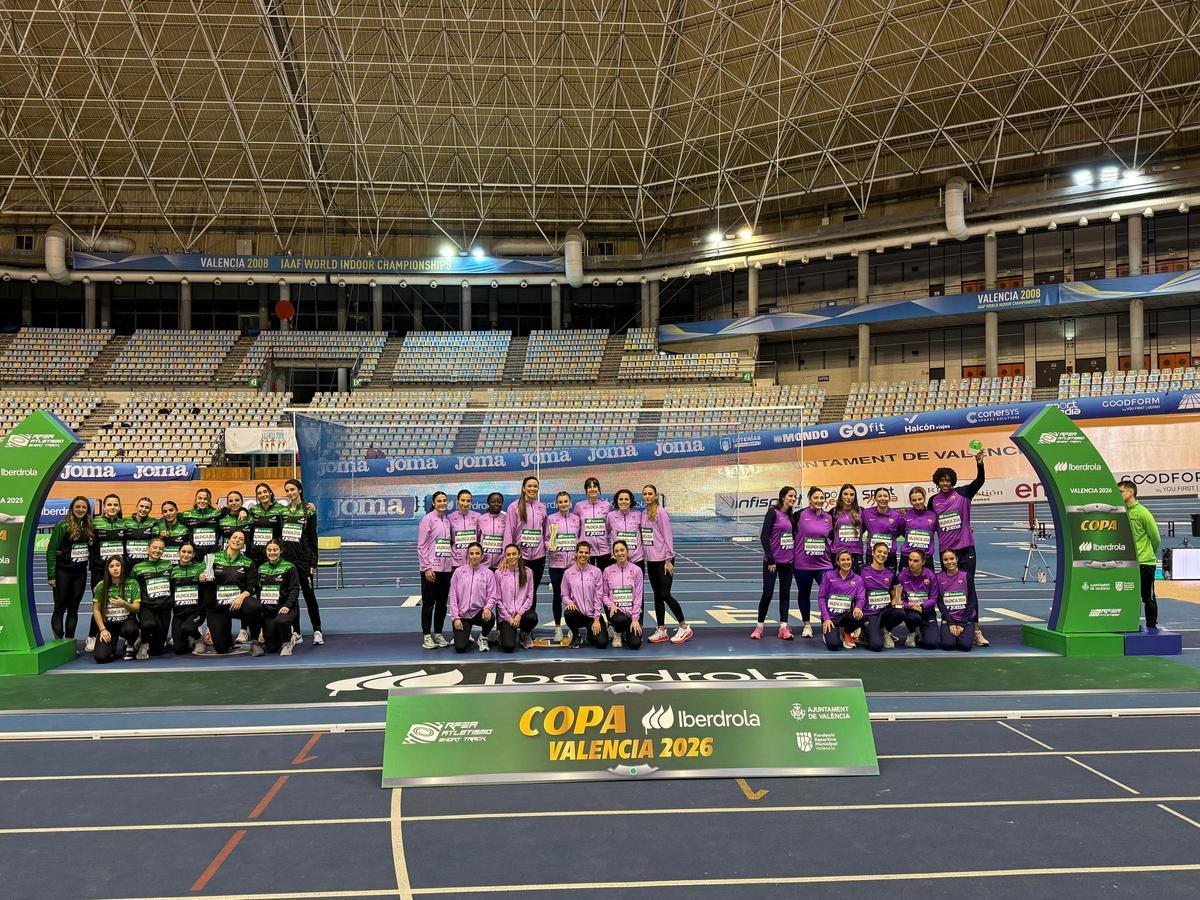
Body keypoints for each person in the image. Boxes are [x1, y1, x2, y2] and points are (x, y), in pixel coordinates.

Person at [931, 451, 990, 646]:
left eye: (948, 480)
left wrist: (979, 463)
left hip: (965, 549)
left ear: (952, 481)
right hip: (947, 552)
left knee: (969, 588)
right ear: (937, 482)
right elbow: (927, 521)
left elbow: (979, 481)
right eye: (942, 480)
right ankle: (951, 622)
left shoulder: (963, 493)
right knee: (950, 588)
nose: (945, 483)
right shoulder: (933, 501)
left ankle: (975, 629)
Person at [641, 484, 691, 644]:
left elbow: (667, 536)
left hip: (664, 560)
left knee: (665, 594)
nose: (648, 496)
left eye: (650, 494)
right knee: (657, 596)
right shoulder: (643, 514)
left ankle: (684, 626)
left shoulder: (661, 512)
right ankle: (661, 629)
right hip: (652, 561)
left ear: (655, 496)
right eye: (645, 494)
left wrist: (669, 559)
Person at [198, 530, 261, 656]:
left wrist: (241, 597)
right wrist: (201, 575)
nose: (237, 540)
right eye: (235, 537)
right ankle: (226, 636)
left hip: (236, 603)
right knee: (221, 648)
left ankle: (255, 642)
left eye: (241, 539)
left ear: (243, 545)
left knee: (255, 606)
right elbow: (200, 571)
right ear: (228, 540)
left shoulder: (248, 562)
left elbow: (252, 586)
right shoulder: (213, 558)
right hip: (217, 606)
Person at [47, 496, 94, 643]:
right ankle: (59, 642)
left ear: (87, 510)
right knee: (60, 608)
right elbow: (51, 551)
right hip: (63, 572)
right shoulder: (62, 525)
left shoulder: (89, 526)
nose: (80, 510)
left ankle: (69, 640)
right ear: (72, 509)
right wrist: (51, 575)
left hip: (80, 573)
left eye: (84, 507)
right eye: (78, 507)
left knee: (74, 609)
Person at [281, 478, 321, 645]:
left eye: (292, 490)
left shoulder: (309, 511)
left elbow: (313, 538)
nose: (290, 493)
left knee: (309, 595)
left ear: (300, 490)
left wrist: (313, 562)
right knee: (292, 596)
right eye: (287, 491)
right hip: (288, 560)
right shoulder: (282, 512)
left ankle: (317, 630)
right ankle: (296, 632)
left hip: (304, 561)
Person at [754, 486, 798, 640]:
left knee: (785, 594)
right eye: (790, 496)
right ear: (782, 497)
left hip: (788, 562)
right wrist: (771, 559)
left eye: (795, 496)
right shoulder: (773, 513)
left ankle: (784, 627)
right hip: (772, 563)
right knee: (767, 593)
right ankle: (759, 627)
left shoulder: (791, 516)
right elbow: (764, 536)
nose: (793, 498)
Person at [1120, 480, 1162, 630]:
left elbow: (1156, 538)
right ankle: (1128, 623)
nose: (1118, 495)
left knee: (1148, 597)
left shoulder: (1143, 513)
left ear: (1130, 492)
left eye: (1121, 492)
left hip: (1144, 563)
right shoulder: (1122, 512)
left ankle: (1152, 626)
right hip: (1127, 562)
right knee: (1128, 595)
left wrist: (1147, 553)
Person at [859, 542, 915, 652]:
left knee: (900, 613)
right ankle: (865, 633)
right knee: (876, 645)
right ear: (873, 553)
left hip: (885, 611)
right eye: (879, 551)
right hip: (870, 613)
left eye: (885, 552)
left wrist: (896, 602)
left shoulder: (891, 573)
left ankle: (885, 630)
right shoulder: (862, 570)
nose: (882, 554)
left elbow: (896, 592)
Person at [87, 494, 125, 651]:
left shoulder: (123, 524)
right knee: (100, 602)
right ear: (104, 507)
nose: (112, 507)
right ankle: (92, 635)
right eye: (109, 505)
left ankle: (123, 636)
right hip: (99, 571)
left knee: (119, 600)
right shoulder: (95, 523)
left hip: (118, 570)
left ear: (119, 507)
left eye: (115, 505)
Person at [504, 476, 547, 611]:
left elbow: (545, 532)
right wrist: (506, 555)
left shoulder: (542, 507)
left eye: (535, 486)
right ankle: (514, 620)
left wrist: (548, 544)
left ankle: (528, 625)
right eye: (529, 486)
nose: (532, 489)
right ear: (524, 488)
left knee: (531, 591)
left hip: (539, 556)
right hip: (521, 557)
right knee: (519, 590)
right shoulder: (514, 507)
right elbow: (509, 532)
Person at [794, 486, 832, 639]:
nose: (819, 501)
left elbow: (834, 538)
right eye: (815, 498)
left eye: (821, 498)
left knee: (829, 594)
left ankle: (827, 624)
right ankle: (807, 625)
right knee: (804, 594)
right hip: (803, 564)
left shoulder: (829, 517)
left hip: (824, 564)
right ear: (810, 499)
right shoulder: (798, 515)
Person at [417, 491, 454, 650]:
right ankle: (427, 635)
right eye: (439, 501)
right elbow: (422, 545)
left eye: (444, 500)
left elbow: (448, 543)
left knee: (442, 604)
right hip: (431, 569)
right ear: (433, 503)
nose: (442, 503)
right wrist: (426, 567)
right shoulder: (427, 520)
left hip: (446, 569)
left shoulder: (447, 520)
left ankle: (438, 633)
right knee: (428, 603)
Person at [91, 556, 141, 664]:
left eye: (118, 565)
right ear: (107, 569)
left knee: (131, 630)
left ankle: (130, 643)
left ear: (123, 567)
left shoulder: (132, 583)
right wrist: (102, 630)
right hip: (109, 625)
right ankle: (111, 647)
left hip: (126, 622)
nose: (115, 569)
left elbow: (137, 608)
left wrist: (124, 604)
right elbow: (96, 610)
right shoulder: (101, 586)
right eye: (111, 566)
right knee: (101, 658)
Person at [546, 491, 582, 642]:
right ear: (556, 504)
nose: (563, 504)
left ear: (570, 503)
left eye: (565, 501)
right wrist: (549, 545)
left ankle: (573, 629)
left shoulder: (577, 519)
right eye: (560, 502)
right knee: (557, 597)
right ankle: (558, 628)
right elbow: (546, 539)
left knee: (574, 597)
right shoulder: (551, 519)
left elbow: (580, 538)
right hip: (556, 565)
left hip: (573, 566)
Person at [448, 543, 496, 653]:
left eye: (477, 553)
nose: (474, 556)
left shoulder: (488, 573)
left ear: (482, 555)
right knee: (460, 648)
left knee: (491, 618)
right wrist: (455, 618)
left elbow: (492, 595)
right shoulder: (458, 572)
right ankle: (466, 633)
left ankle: (483, 637)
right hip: (462, 615)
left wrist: (488, 608)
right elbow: (454, 596)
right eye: (472, 553)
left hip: (479, 612)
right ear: (468, 555)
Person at [130, 537, 173, 658]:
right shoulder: (138, 568)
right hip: (146, 606)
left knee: (157, 650)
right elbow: (131, 586)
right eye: (154, 547)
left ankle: (146, 637)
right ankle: (144, 642)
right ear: (148, 549)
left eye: (161, 548)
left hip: (164, 607)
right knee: (148, 624)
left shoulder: (168, 565)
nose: (157, 550)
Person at [256, 539, 301, 655]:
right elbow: (259, 591)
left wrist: (287, 606)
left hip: (285, 608)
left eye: (275, 550)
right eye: (269, 550)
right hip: (269, 611)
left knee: (282, 621)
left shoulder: (290, 567)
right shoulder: (261, 568)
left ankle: (287, 642)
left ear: (281, 551)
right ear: (266, 552)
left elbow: (295, 589)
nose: (272, 553)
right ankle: (282, 633)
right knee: (271, 648)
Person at [561, 541, 609, 649]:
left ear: (589, 554)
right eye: (581, 552)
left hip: (592, 616)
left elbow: (599, 596)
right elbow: (564, 594)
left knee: (602, 643)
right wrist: (569, 602)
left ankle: (590, 633)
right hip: (578, 614)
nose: (583, 555)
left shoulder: (596, 572)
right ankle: (576, 635)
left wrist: (596, 619)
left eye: (586, 553)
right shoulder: (568, 573)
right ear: (576, 554)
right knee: (568, 613)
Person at [818, 550, 865, 651]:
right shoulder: (828, 576)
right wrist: (826, 618)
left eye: (848, 559)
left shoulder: (858, 579)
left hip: (845, 616)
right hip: (830, 618)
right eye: (842, 560)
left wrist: (858, 607)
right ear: (838, 562)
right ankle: (830, 633)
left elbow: (861, 597)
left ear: (851, 561)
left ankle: (847, 632)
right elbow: (821, 598)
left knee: (861, 617)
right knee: (834, 645)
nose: (846, 562)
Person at [495, 544, 538, 651]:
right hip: (507, 616)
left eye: (514, 554)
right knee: (508, 647)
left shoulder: (528, 572)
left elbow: (529, 598)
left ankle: (524, 633)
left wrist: (519, 615)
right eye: (508, 555)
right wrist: (509, 618)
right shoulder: (499, 573)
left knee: (532, 617)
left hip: (521, 614)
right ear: (505, 557)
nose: (511, 557)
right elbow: (498, 600)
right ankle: (502, 633)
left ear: (519, 555)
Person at [895, 549, 941, 649]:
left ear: (923, 562)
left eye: (916, 561)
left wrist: (922, 606)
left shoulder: (930, 575)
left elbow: (934, 599)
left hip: (927, 612)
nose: (911, 563)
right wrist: (909, 606)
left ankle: (921, 632)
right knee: (912, 618)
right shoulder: (902, 576)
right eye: (910, 560)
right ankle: (912, 632)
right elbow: (897, 600)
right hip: (911, 612)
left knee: (931, 644)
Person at [601, 540, 643, 649]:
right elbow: (604, 595)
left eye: (622, 550)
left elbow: (638, 597)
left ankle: (627, 631)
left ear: (627, 551)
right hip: (617, 614)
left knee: (635, 644)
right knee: (620, 619)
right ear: (614, 555)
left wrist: (635, 619)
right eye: (617, 551)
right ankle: (618, 633)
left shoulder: (637, 570)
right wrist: (611, 605)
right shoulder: (607, 571)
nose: (620, 553)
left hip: (631, 614)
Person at [169, 543, 207, 655]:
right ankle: (188, 637)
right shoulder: (173, 571)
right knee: (179, 650)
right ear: (178, 553)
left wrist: (202, 576)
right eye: (183, 552)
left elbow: (204, 574)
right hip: (179, 613)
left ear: (193, 554)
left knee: (187, 627)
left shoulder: (200, 567)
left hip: (197, 611)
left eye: (189, 552)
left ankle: (199, 639)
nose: (186, 554)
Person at [936, 548, 977, 651]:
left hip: (965, 619)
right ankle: (952, 634)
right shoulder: (938, 578)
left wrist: (963, 623)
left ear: (957, 559)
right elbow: (940, 603)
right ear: (942, 561)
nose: (949, 562)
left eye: (952, 558)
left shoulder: (967, 576)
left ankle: (964, 634)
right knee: (948, 645)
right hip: (949, 618)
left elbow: (972, 601)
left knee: (965, 646)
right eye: (946, 560)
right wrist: (950, 622)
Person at [574, 477, 612, 571]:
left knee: (604, 578)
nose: (592, 489)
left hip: (604, 550)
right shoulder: (579, 506)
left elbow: (609, 526)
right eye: (589, 487)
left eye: (595, 486)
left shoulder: (607, 505)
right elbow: (576, 526)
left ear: (599, 489)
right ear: (586, 491)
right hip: (586, 551)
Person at [861, 487, 903, 570]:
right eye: (879, 496)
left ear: (889, 498)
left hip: (889, 555)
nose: (882, 498)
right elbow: (862, 528)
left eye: (885, 496)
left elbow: (900, 532)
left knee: (890, 581)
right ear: (875, 498)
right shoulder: (866, 513)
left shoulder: (896, 515)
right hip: (872, 554)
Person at [246, 482, 286, 566]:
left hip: (272, 553)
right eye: (259, 493)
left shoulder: (281, 509)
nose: (262, 495)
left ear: (270, 493)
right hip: (255, 554)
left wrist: (307, 505)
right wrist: (242, 510)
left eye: (265, 491)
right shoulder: (253, 510)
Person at [180, 488, 222, 561]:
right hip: (194, 556)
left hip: (213, 555)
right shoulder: (187, 514)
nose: (202, 501)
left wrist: (243, 511)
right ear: (196, 500)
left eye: (205, 499)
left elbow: (231, 511)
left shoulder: (217, 513)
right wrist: (163, 526)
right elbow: (167, 518)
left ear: (209, 501)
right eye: (199, 498)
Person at [830, 483, 864, 572]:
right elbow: (830, 532)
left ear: (855, 497)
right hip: (837, 552)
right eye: (845, 494)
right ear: (841, 496)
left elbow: (864, 529)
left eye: (852, 494)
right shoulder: (833, 512)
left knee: (856, 582)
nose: (848, 497)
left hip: (856, 553)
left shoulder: (861, 511)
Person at [606, 488, 643, 566]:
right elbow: (606, 531)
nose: (623, 501)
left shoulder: (638, 515)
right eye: (621, 499)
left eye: (626, 499)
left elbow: (642, 533)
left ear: (631, 501)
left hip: (637, 559)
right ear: (616, 501)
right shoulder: (611, 516)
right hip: (617, 558)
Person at [900, 486, 937, 563]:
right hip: (907, 556)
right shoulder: (905, 515)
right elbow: (902, 532)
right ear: (910, 501)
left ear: (924, 498)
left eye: (920, 499)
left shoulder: (933, 515)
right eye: (914, 500)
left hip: (926, 557)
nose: (917, 502)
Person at [448, 490, 481, 571]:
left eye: (468, 501)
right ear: (457, 501)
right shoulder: (450, 517)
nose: (465, 503)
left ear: (471, 502)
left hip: (473, 562)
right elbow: (448, 540)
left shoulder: (477, 516)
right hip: (455, 563)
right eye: (463, 500)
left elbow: (480, 538)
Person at [122, 497, 157, 568]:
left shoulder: (154, 522)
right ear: (137, 507)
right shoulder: (125, 521)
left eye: (147, 507)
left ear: (150, 510)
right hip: (128, 563)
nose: (143, 509)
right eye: (141, 506)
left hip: (146, 564)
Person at [478, 492, 508, 569]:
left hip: (501, 564)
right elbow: (477, 539)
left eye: (499, 502)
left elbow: (509, 538)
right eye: (493, 502)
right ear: (488, 503)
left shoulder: (507, 518)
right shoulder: (481, 519)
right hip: (483, 564)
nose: (496, 504)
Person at [156, 500, 188, 565]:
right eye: (165, 511)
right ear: (162, 514)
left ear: (177, 511)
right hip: (162, 567)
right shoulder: (157, 528)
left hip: (179, 567)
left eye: (171, 510)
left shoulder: (185, 529)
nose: (168, 513)